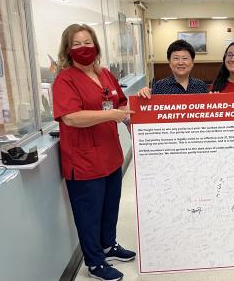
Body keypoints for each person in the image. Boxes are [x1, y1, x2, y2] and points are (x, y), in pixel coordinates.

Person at [52, 24, 136, 281]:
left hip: (110, 156)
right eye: (76, 44)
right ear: (67, 49)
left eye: (87, 42)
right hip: (84, 160)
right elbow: (71, 118)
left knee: (110, 207)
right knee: (89, 214)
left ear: (96, 45)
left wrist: (134, 126)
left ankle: (109, 246)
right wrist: (109, 115)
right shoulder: (65, 79)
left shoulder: (106, 74)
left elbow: (121, 104)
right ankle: (95, 262)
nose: (83, 48)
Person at [137, 39, 208, 98]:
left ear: (192, 62)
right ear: (169, 62)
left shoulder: (201, 86)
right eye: (176, 58)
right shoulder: (160, 87)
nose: (180, 62)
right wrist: (143, 96)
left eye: (185, 58)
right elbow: (150, 112)